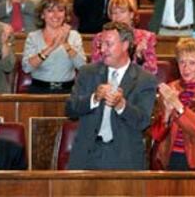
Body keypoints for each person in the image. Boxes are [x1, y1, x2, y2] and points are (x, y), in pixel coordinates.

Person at [65, 21, 157, 170]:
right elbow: (70, 109)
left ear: (125, 45)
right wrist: (93, 98)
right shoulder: (87, 73)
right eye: (101, 44)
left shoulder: (145, 79)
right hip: (87, 156)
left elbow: (143, 121)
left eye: (108, 44)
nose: (102, 49)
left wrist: (122, 106)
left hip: (125, 158)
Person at [151, 38, 195, 170]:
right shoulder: (170, 88)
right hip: (172, 157)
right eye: (182, 62)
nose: (186, 68)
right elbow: (157, 135)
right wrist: (166, 115)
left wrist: (178, 106)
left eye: (191, 63)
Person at [22, 0, 86, 94]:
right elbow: (26, 68)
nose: (56, 15)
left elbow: (82, 66)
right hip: (39, 91)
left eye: (60, 10)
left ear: (65, 14)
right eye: (50, 11)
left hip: (68, 92)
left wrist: (66, 44)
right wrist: (51, 47)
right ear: (42, 14)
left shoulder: (74, 36)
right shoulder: (33, 37)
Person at [91, 0, 157, 75]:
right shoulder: (100, 38)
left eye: (122, 12)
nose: (118, 17)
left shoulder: (146, 37)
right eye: (114, 13)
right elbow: (94, 69)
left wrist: (140, 57)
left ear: (131, 14)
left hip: (135, 85)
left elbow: (152, 72)